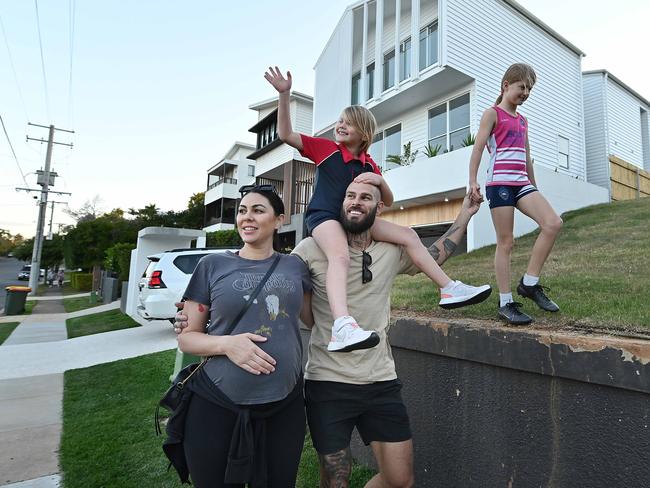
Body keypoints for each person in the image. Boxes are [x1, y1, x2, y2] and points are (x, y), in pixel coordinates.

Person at [176, 180, 482, 487]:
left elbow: (434, 255)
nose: (356, 202)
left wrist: (465, 214)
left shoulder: (385, 250)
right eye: (350, 195)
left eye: (365, 197)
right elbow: (272, 296)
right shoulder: (307, 251)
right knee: (334, 480)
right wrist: (199, 323)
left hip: (368, 381)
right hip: (322, 382)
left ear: (379, 208)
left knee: (400, 479)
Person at [264, 66, 491, 353]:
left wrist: (379, 180)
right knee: (340, 255)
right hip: (324, 218)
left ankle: (448, 288)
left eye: (349, 123)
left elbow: (389, 202)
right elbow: (285, 133)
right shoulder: (326, 149)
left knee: (408, 234)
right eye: (340, 121)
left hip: (357, 220)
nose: (341, 125)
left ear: (364, 133)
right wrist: (284, 95)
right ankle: (342, 325)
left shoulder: (370, 165)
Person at [169, 185, 314, 487]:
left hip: (284, 407)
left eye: (258, 210)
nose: (247, 218)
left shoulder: (295, 267)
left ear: (279, 220)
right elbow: (187, 338)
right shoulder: (212, 265)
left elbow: (314, 319)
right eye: (242, 211)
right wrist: (227, 344)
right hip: (217, 404)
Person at [468, 62, 563, 325]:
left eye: (530, 89)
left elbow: (527, 156)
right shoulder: (493, 114)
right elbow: (477, 149)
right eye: (522, 87)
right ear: (506, 85)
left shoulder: (523, 120)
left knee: (553, 223)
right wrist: (472, 181)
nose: (526, 92)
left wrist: (534, 186)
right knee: (506, 242)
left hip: (522, 183)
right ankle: (506, 302)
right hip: (499, 183)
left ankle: (529, 284)